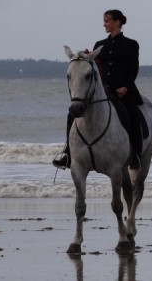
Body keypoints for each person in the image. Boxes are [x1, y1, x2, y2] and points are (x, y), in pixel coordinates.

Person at [53, 9, 144, 169]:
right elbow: (95, 67)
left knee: (132, 113)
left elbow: (133, 69)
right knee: (71, 114)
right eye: (104, 21)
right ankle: (68, 153)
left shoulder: (131, 44)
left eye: (107, 21)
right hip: (102, 90)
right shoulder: (100, 45)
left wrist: (126, 87)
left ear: (117, 22)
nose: (104, 24)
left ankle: (136, 155)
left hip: (122, 90)